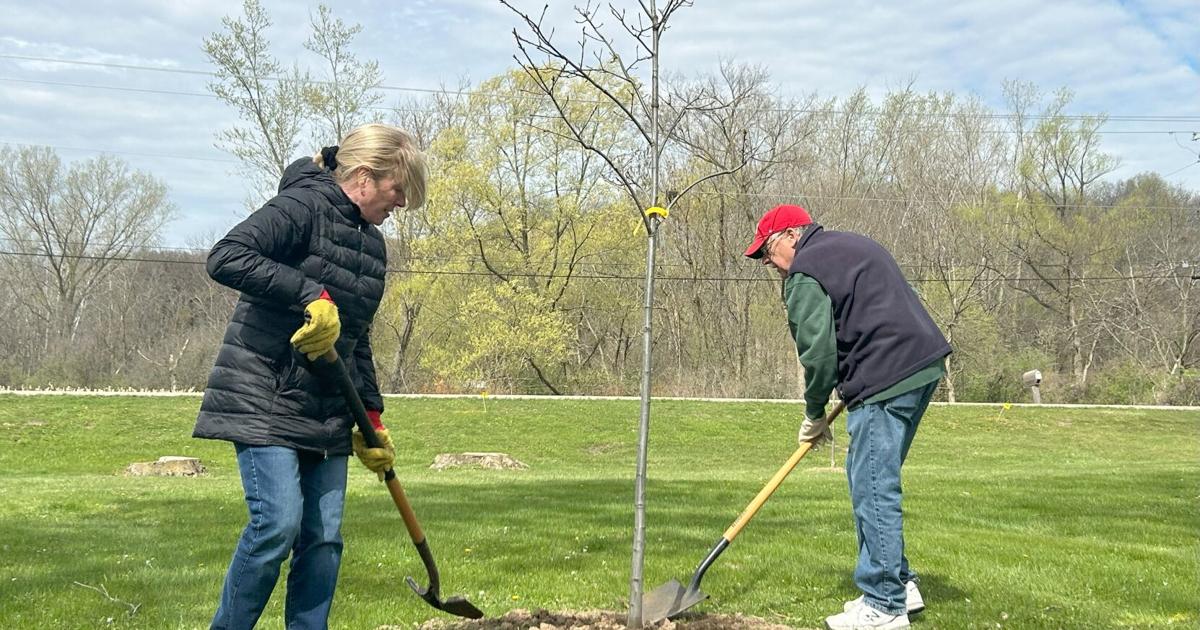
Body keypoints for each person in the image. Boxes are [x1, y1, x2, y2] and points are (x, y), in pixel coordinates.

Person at [193, 123, 428, 630]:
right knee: (277, 524)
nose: (402, 202)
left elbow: (355, 337)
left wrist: (371, 415)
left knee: (323, 537)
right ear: (364, 177)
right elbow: (226, 256)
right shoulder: (303, 206)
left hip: (327, 408)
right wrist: (309, 293)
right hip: (265, 393)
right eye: (397, 189)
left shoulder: (372, 246)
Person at [744, 204, 950, 630]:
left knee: (874, 486)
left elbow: (817, 355)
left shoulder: (805, 271)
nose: (768, 263)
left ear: (790, 236)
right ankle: (900, 583)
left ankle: (885, 605)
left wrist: (814, 412)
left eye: (766, 252)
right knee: (869, 478)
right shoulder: (850, 244)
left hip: (885, 378)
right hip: (921, 366)